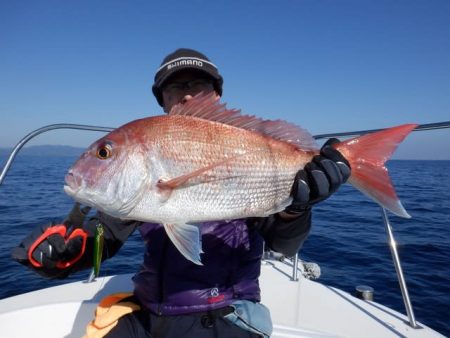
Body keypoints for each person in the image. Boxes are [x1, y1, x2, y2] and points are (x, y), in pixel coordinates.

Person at [12, 48, 351, 338]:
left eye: (198, 85)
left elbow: (284, 244)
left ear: (216, 95)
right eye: (175, 87)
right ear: (163, 101)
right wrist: (68, 251)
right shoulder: (138, 180)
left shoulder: (243, 146)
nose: (187, 94)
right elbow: (105, 236)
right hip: (148, 311)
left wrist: (297, 208)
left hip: (225, 312)